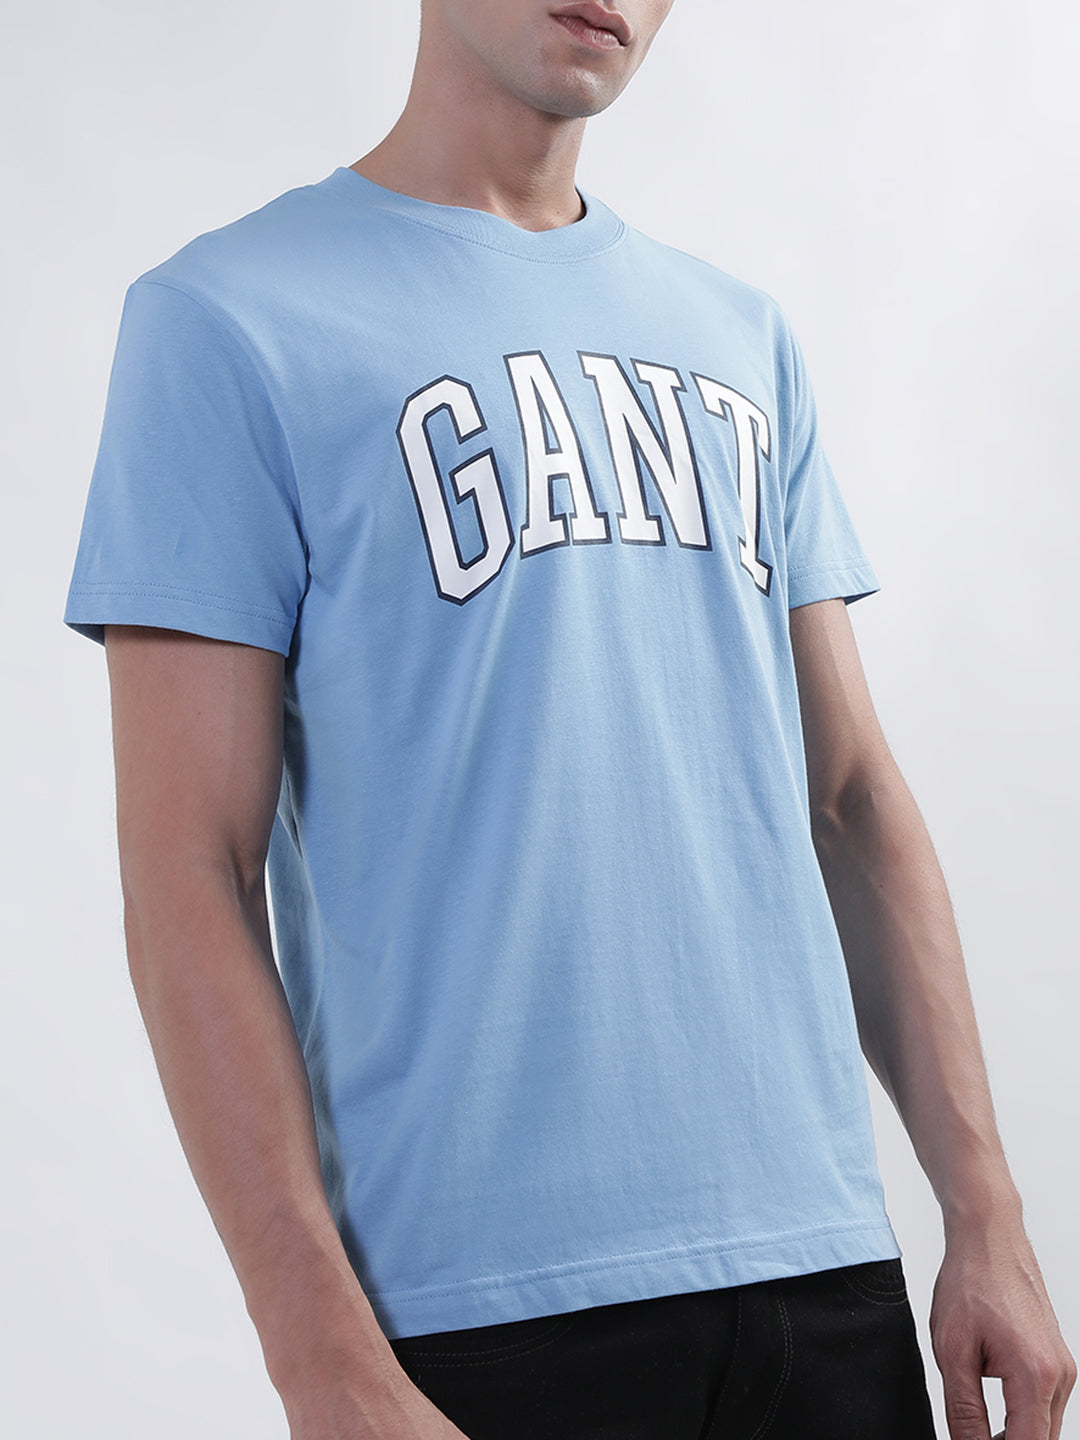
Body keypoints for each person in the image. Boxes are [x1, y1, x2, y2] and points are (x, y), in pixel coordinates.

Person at [64, 2, 1074, 1437]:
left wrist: (986, 1213)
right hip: (475, 1318)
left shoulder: (740, 336)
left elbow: (848, 797)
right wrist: (318, 1357)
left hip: (820, 1274)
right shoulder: (227, 321)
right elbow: (188, 873)